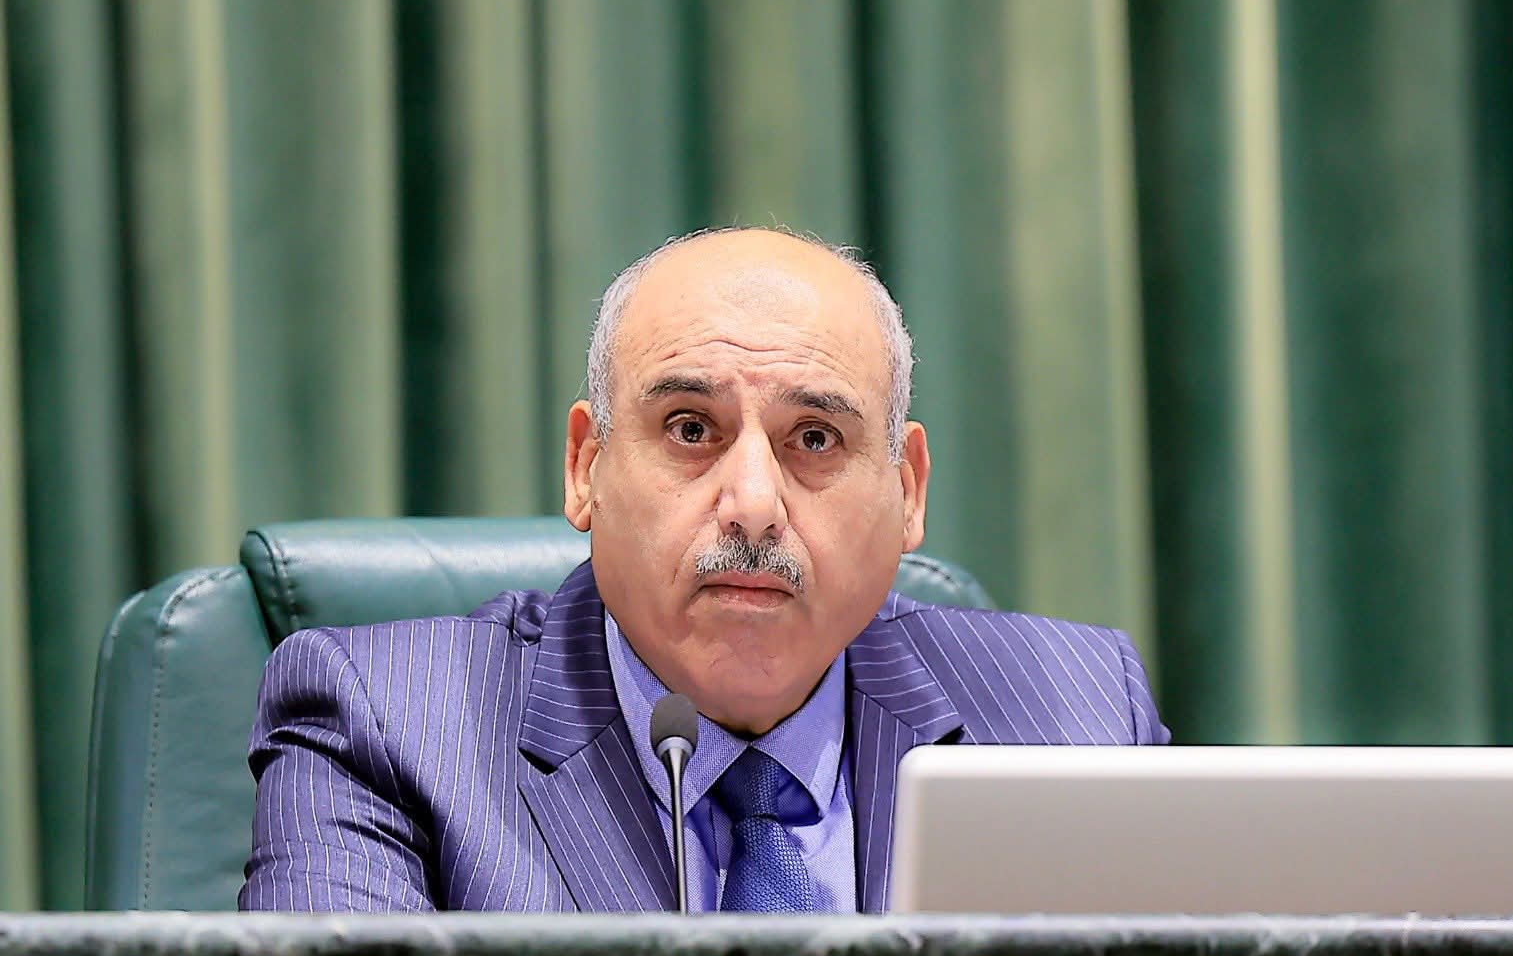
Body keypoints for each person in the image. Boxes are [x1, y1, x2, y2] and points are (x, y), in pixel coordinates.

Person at [240, 228, 1169, 913]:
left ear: (907, 489)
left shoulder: (1077, 718)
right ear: (586, 467)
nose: (754, 503)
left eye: (815, 438)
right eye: (691, 428)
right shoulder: (385, 724)